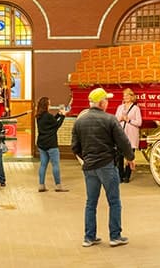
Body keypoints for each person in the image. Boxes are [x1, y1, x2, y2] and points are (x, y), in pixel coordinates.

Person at [71, 87, 135, 248]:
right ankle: (115, 236)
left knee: (91, 202)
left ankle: (89, 237)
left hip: (89, 167)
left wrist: (86, 159)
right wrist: (130, 158)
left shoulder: (80, 121)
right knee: (114, 201)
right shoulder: (110, 119)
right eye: (106, 100)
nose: (107, 102)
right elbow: (123, 141)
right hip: (106, 165)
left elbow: (75, 146)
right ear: (101, 103)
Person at [35, 96, 69, 192]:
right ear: (46, 105)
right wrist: (63, 116)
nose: (50, 105)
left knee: (43, 165)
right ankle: (58, 186)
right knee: (55, 165)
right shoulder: (48, 116)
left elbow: (52, 122)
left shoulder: (39, 116)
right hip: (51, 144)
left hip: (42, 144)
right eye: (49, 104)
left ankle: (41, 185)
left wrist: (58, 114)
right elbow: (56, 125)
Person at [114, 88, 142, 183]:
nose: (125, 97)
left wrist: (129, 120)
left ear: (131, 97)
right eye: (124, 95)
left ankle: (127, 176)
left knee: (130, 156)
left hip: (131, 135)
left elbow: (139, 122)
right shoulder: (120, 107)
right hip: (121, 135)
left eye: (127, 95)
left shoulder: (135, 108)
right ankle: (120, 176)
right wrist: (121, 118)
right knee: (119, 156)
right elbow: (115, 119)